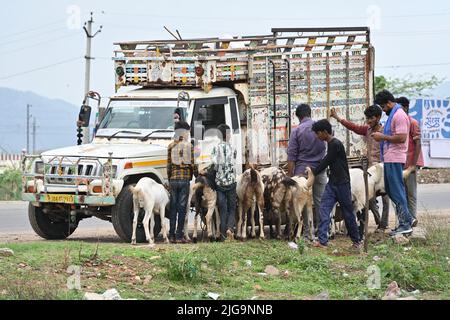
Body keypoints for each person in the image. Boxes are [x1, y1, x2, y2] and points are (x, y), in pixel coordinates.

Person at [330, 105, 390, 232]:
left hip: (382, 169)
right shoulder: (368, 130)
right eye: (367, 118)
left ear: (378, 117)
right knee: (369, 199)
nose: (368, 121)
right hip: (370, 171)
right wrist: (338, 118)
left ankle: (383, 224)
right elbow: (354, 127)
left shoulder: (385, 132)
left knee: (386, 198)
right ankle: (375, 222)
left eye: (371, 118)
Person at [311, 119, 361, 249]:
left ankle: (356, 242)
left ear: (325, 132)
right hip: (333, 183)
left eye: (318, 133)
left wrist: (314, 172)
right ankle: (322, 241)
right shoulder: (331, 144)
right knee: (323, 209)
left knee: (348, 213)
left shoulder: (335, 144)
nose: (317, 136)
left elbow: (327, 160)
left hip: (342, 184)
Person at [372, 90, 413, 236]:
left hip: (395, 158)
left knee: (396, 191)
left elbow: (401, 138)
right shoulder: (393, 114)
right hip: (390, 158)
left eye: (383, 107)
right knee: (391, 189)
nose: (383, 110)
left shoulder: (399, 115)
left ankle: (405, 223)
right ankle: (407, 219)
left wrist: (382, 137)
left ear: (389, 103)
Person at [287, 104, 327, 238]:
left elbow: (292, 156)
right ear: (310, 113)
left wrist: (291, 176)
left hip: (303, 172)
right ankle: (323, 230)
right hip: (320, 169)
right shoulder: (321, 128)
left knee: (303, 202)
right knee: (320, 200)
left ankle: (306, 232)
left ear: (298, 117)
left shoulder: (297, 131)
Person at [167, 121, 198, 244]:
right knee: (181, 208)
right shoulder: (189, 146)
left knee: (173, 208)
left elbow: (168, 165)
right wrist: (194, 175)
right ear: (184, 132)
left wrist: (170, 179)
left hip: (173, 180)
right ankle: (179, 236)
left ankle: (171, 235)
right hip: (184, 180)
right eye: (188, 132)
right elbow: (192, 164)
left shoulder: (170, 146)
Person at [397, 97, 424, 227]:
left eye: (400, 108)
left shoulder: (412, 123)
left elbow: (418, 143)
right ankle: (404, 221)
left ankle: (412, 221)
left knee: (411, 195)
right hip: (400, 163)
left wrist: (413, 165)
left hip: (410, 164)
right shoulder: (398, 123)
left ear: (406, 108)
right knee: (400, 195)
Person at [211, 124, 237, 241]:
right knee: (232, 208)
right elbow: (234, 163)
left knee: (223, 209)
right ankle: (230, 229)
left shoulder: (215, 149)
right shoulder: (233, 148)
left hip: (220, 184)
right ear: (227, 135)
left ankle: (222, 236)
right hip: (231, 182)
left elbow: (214, 167)